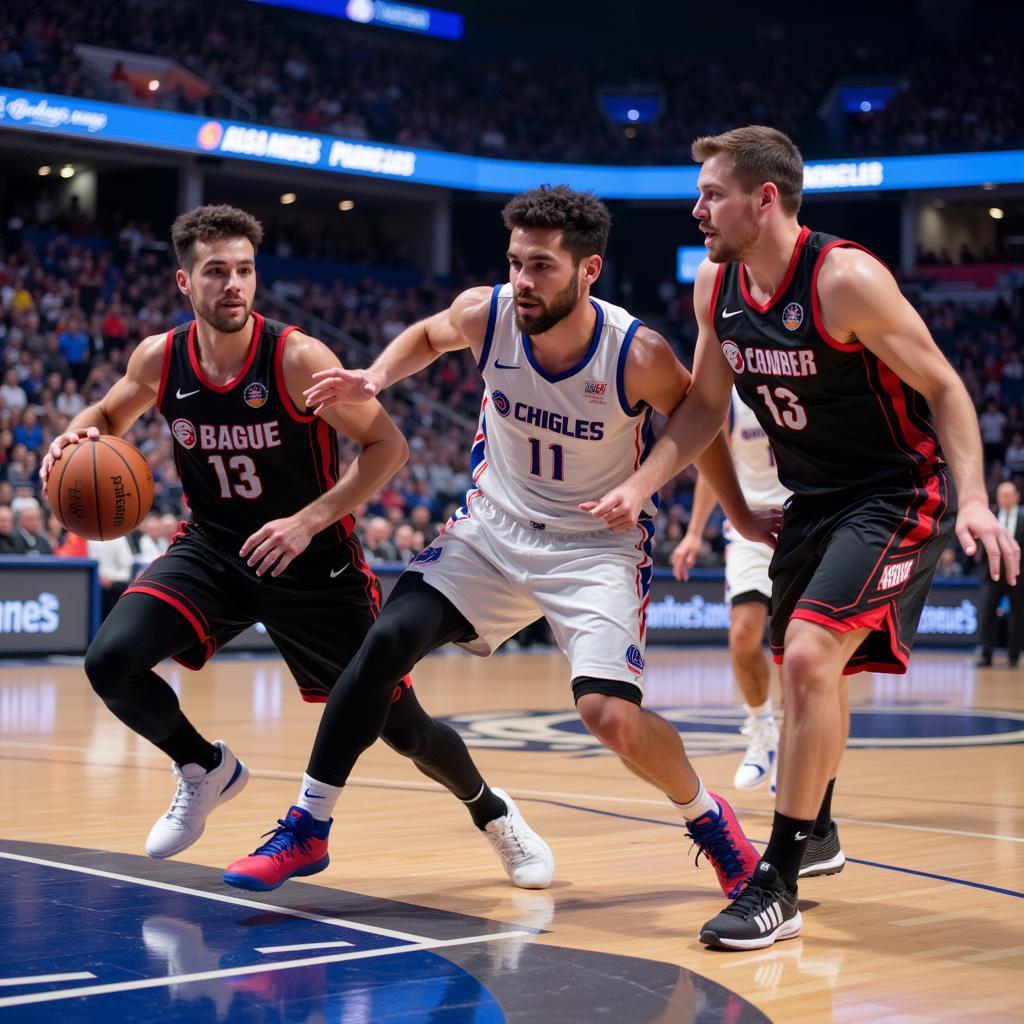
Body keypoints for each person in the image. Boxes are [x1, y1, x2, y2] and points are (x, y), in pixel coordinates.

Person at [223, 185, 778, 899]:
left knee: (608, 716)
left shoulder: (634, 352)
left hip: (592, 547)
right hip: (493, 530)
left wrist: (656, 488)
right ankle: (308, 826)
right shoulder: (487, 314)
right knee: (383, 642)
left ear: (589, 270)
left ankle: (710, 821)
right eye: (515, 262)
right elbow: (428, 335)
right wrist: (376, 375)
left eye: (542, 265)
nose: (522, 280)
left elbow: (702, 416)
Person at [583, 127, 1020, 950]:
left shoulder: (845, 279)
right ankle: (814, 827)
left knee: (816, 656)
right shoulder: (718, 286)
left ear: (765, 198)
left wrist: (973, 502)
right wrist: (644, 484)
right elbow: (706, 408)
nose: (697, 207)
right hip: (809, 500)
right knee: (802, 670)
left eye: (713, 193)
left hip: (896, 492)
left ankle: (775, 880)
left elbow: (946, 385)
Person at [41, 204, 550, 887]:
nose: (233, 286)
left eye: (244, 271)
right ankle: (204, 767)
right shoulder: (161, 357)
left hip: (314, 563)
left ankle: (493, 814)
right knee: (110, 661)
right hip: (215, 549)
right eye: (215, 272)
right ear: (182, 283)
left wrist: (310, 519)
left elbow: (387, 447)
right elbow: (106, 415)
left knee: (404, 729)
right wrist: (74, 437)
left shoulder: (295, 357)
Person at [672, 388, 787, 792]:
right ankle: (762, 732)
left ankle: (797, 744)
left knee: (800, 649)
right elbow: (710, 465)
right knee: (742, 636)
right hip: (750, 528)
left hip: (807, 524)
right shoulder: (731, 397)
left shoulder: (801, 373)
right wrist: (692, 533)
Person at [977, 480, 1024, 667]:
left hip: (1018, 576)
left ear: (1016, 496)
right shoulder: (991, 516)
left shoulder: (1022, 518)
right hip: (992, 575)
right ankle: (986, 654)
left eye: (1008, 494)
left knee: (1018, 616)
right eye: (1001, 494)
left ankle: (1013, 656)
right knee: (987, 614)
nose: (1004, 498)